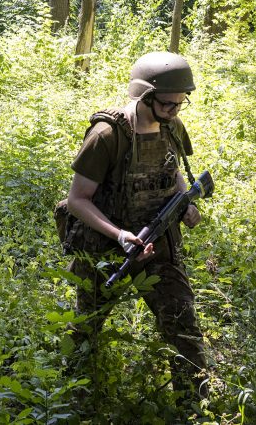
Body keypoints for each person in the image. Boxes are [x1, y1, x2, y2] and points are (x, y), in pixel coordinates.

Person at [62, 51, 209, 408]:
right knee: (86, 329)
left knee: (184, 326)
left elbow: (173, 168)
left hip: (159, 244)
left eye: (180, 103)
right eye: (168, 103)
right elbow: (78, 200)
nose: (175, 110)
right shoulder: (107, 135)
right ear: (143, 96)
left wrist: (186, 203)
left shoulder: (173, 127)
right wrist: (120, 235)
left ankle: (192, 407)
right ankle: (72, 403)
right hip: (106, 246)